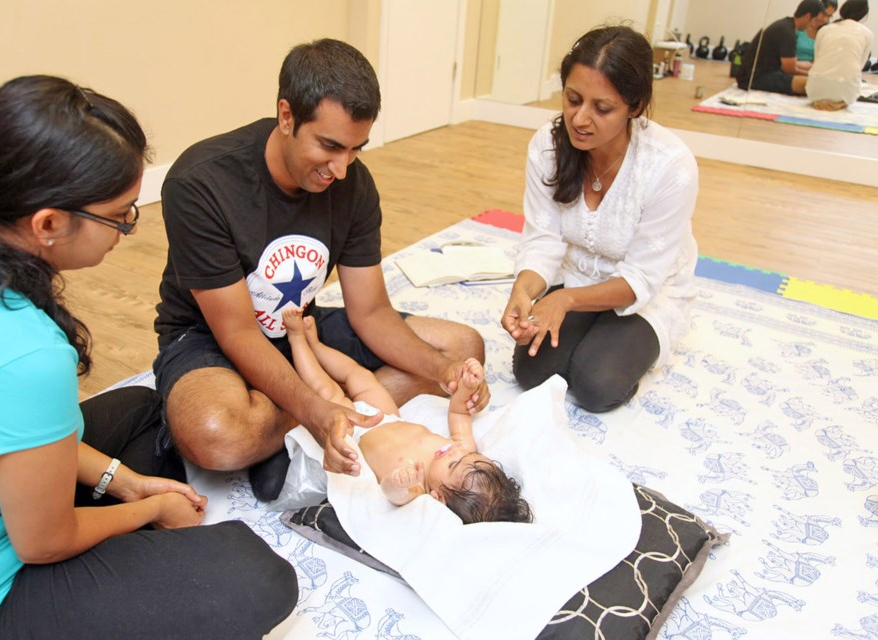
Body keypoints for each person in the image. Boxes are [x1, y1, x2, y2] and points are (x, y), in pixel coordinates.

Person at [0, 75, 296, 640]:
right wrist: (146, 510)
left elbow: (15, 433)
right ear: (47, 223)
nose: (126, 229)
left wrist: (125, 482)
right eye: (120, 215)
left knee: (147, 408)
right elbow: (43, 542)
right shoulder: (22, 354)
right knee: (256, 576)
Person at [153, 38, 489, 477]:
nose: (342, 169)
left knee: (463, 349)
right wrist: (314, 408)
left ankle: (311, 416)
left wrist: (441, 370)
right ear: (287, 116)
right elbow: (237, 332)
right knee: (219, 434)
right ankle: (328, 409)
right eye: (329, 146)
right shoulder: (201, 183)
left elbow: (369, 311)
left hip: (300, 327)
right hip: (210, 335)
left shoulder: (354, 184)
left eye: (356, 149)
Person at [500, 25, 699, 414]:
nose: (580, 119)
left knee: (596, 386)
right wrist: (522, 291)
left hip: (647, 293)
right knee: (532, 373)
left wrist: (565, 300)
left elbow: (641, 278)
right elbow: (543, 240)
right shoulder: (547, 146)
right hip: (577, 278)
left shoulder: (669, 166)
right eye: (573, 99)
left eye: (601, 108)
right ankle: (587, 334)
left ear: (634, 106)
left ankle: (608, 345)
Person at [282, 307, 532, 524]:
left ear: (439, 498)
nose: (456, 452)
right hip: (387, 416)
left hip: (355, 434)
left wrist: (399, 483)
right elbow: (458, 411)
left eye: (453, 464)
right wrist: (466, 387)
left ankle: (297, 341)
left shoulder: (417, 487)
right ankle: (317, 346)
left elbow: (391, 494)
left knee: (326, 390)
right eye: (470, 455)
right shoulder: (462, 450)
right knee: (357, 375)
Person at [736, 0, 827, 95]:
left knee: (812, 79)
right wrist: (813, 75)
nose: (815, 26)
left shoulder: (786, 25)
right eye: (816, 21)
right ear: (808, 16)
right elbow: (790, 69)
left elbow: (791, 64)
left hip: (758, 73)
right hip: (753, 78)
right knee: (811, 84)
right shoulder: (787, 32)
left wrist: (812, 69)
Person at [807, 0, 874, 110]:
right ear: (864, 14)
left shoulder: (825, 30)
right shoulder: (867, 34)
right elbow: (860, 66)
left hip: (814, 91)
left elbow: (817, 59)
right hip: (847, 93)